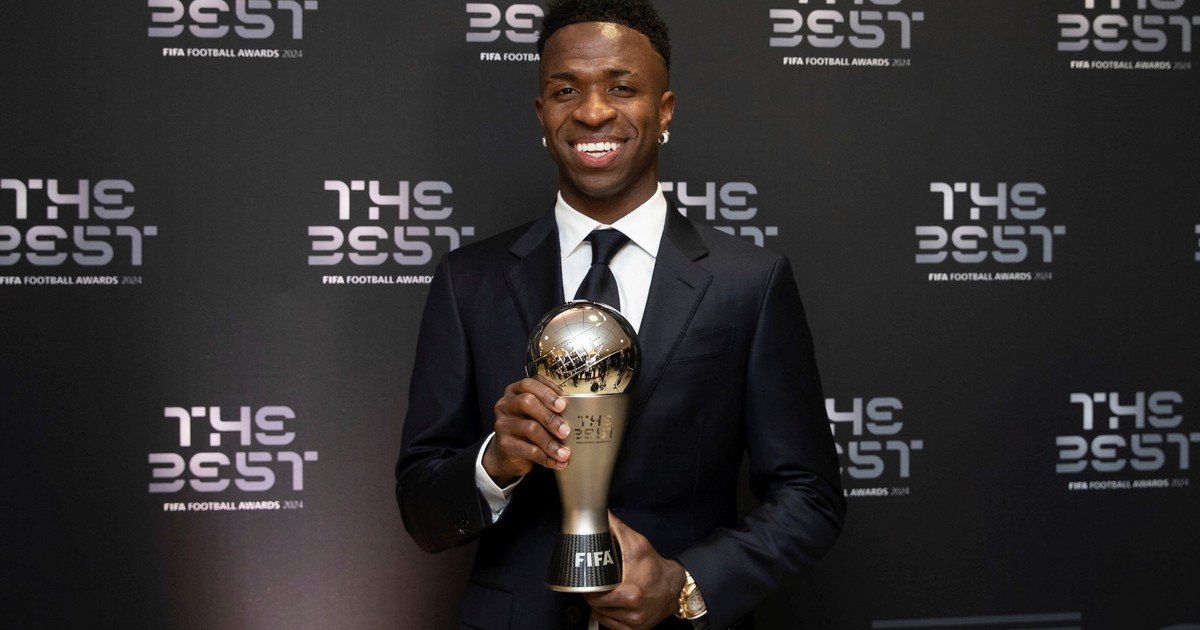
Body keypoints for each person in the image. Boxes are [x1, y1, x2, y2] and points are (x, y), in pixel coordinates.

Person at [395, 1, 845, 628]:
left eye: (621, 88)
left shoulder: (748, 282)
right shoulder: (468, 281)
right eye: (565, 90)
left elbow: (809, 495)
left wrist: (686, 584)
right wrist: (495, 461)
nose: (592, 112)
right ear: (541, 113)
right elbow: (421, 510)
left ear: (664, 111)